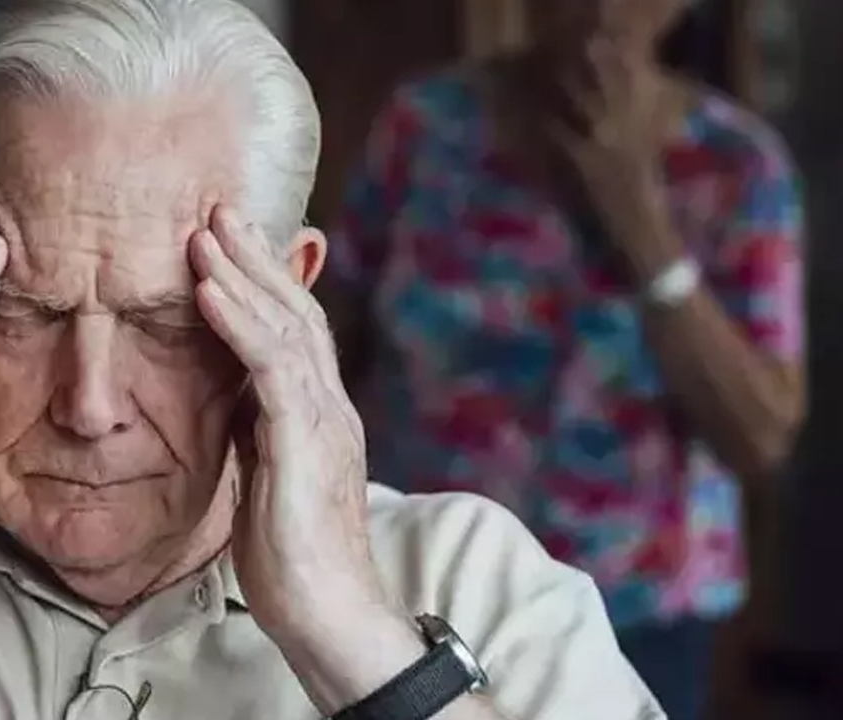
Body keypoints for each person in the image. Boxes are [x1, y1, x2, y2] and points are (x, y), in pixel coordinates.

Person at [0, 2, 663, 719]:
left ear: (287, 297)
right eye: (22, 314)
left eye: (167, 325)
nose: (89, 407)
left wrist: (347, 628)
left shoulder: (479, 580)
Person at [322, 2, 805, 719]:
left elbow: (762, 433)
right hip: (422, 582)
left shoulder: (737, 165)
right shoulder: (423, 127)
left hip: (642, 610)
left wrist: (637, 217)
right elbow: (326, 333)